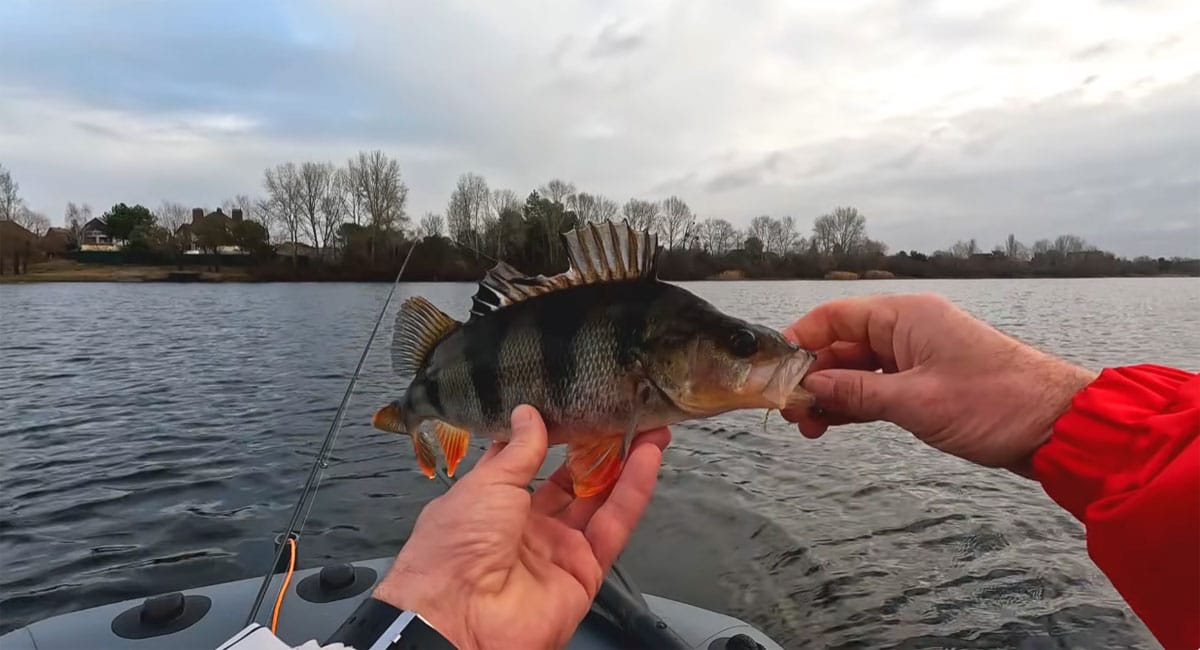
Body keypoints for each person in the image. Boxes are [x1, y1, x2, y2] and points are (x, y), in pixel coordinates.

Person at [220, 293, 1198, 650]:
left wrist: (425, 622)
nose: (756, 358)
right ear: (667, 357)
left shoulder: (655, 376)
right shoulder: (631, 364)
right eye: (734, 345)